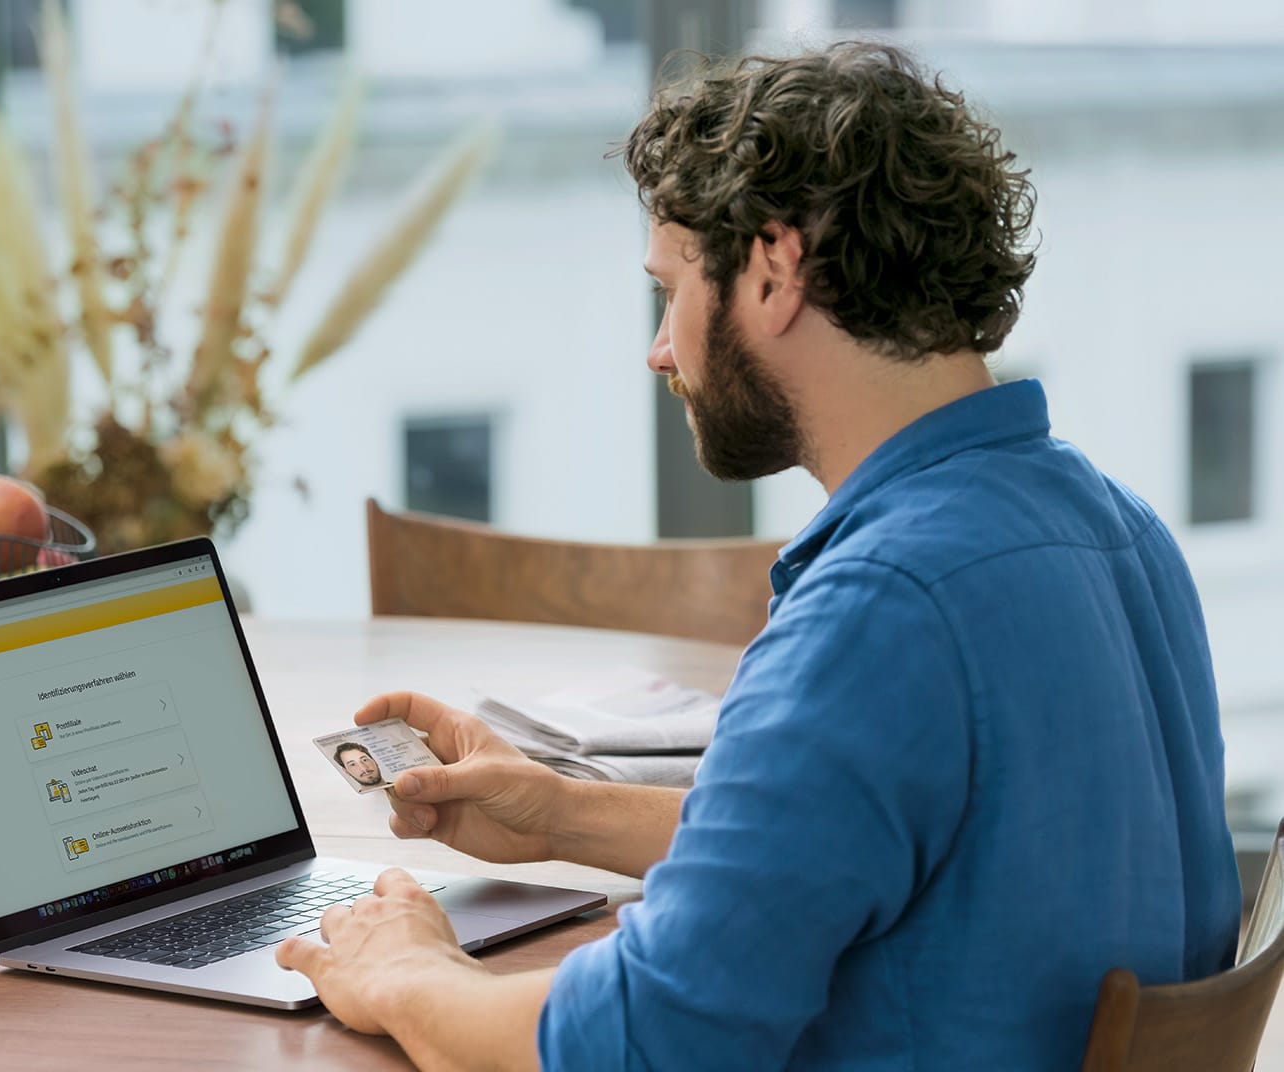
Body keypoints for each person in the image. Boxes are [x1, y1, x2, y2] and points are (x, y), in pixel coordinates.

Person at [276, 42, 1242, 1069]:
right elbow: (865, 846)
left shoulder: (882, 609)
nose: (660, 347)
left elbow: (644, 1042)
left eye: (673, 288)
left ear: (775, 270)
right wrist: (564, 814)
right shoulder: (1118, 530)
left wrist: (409, 972)